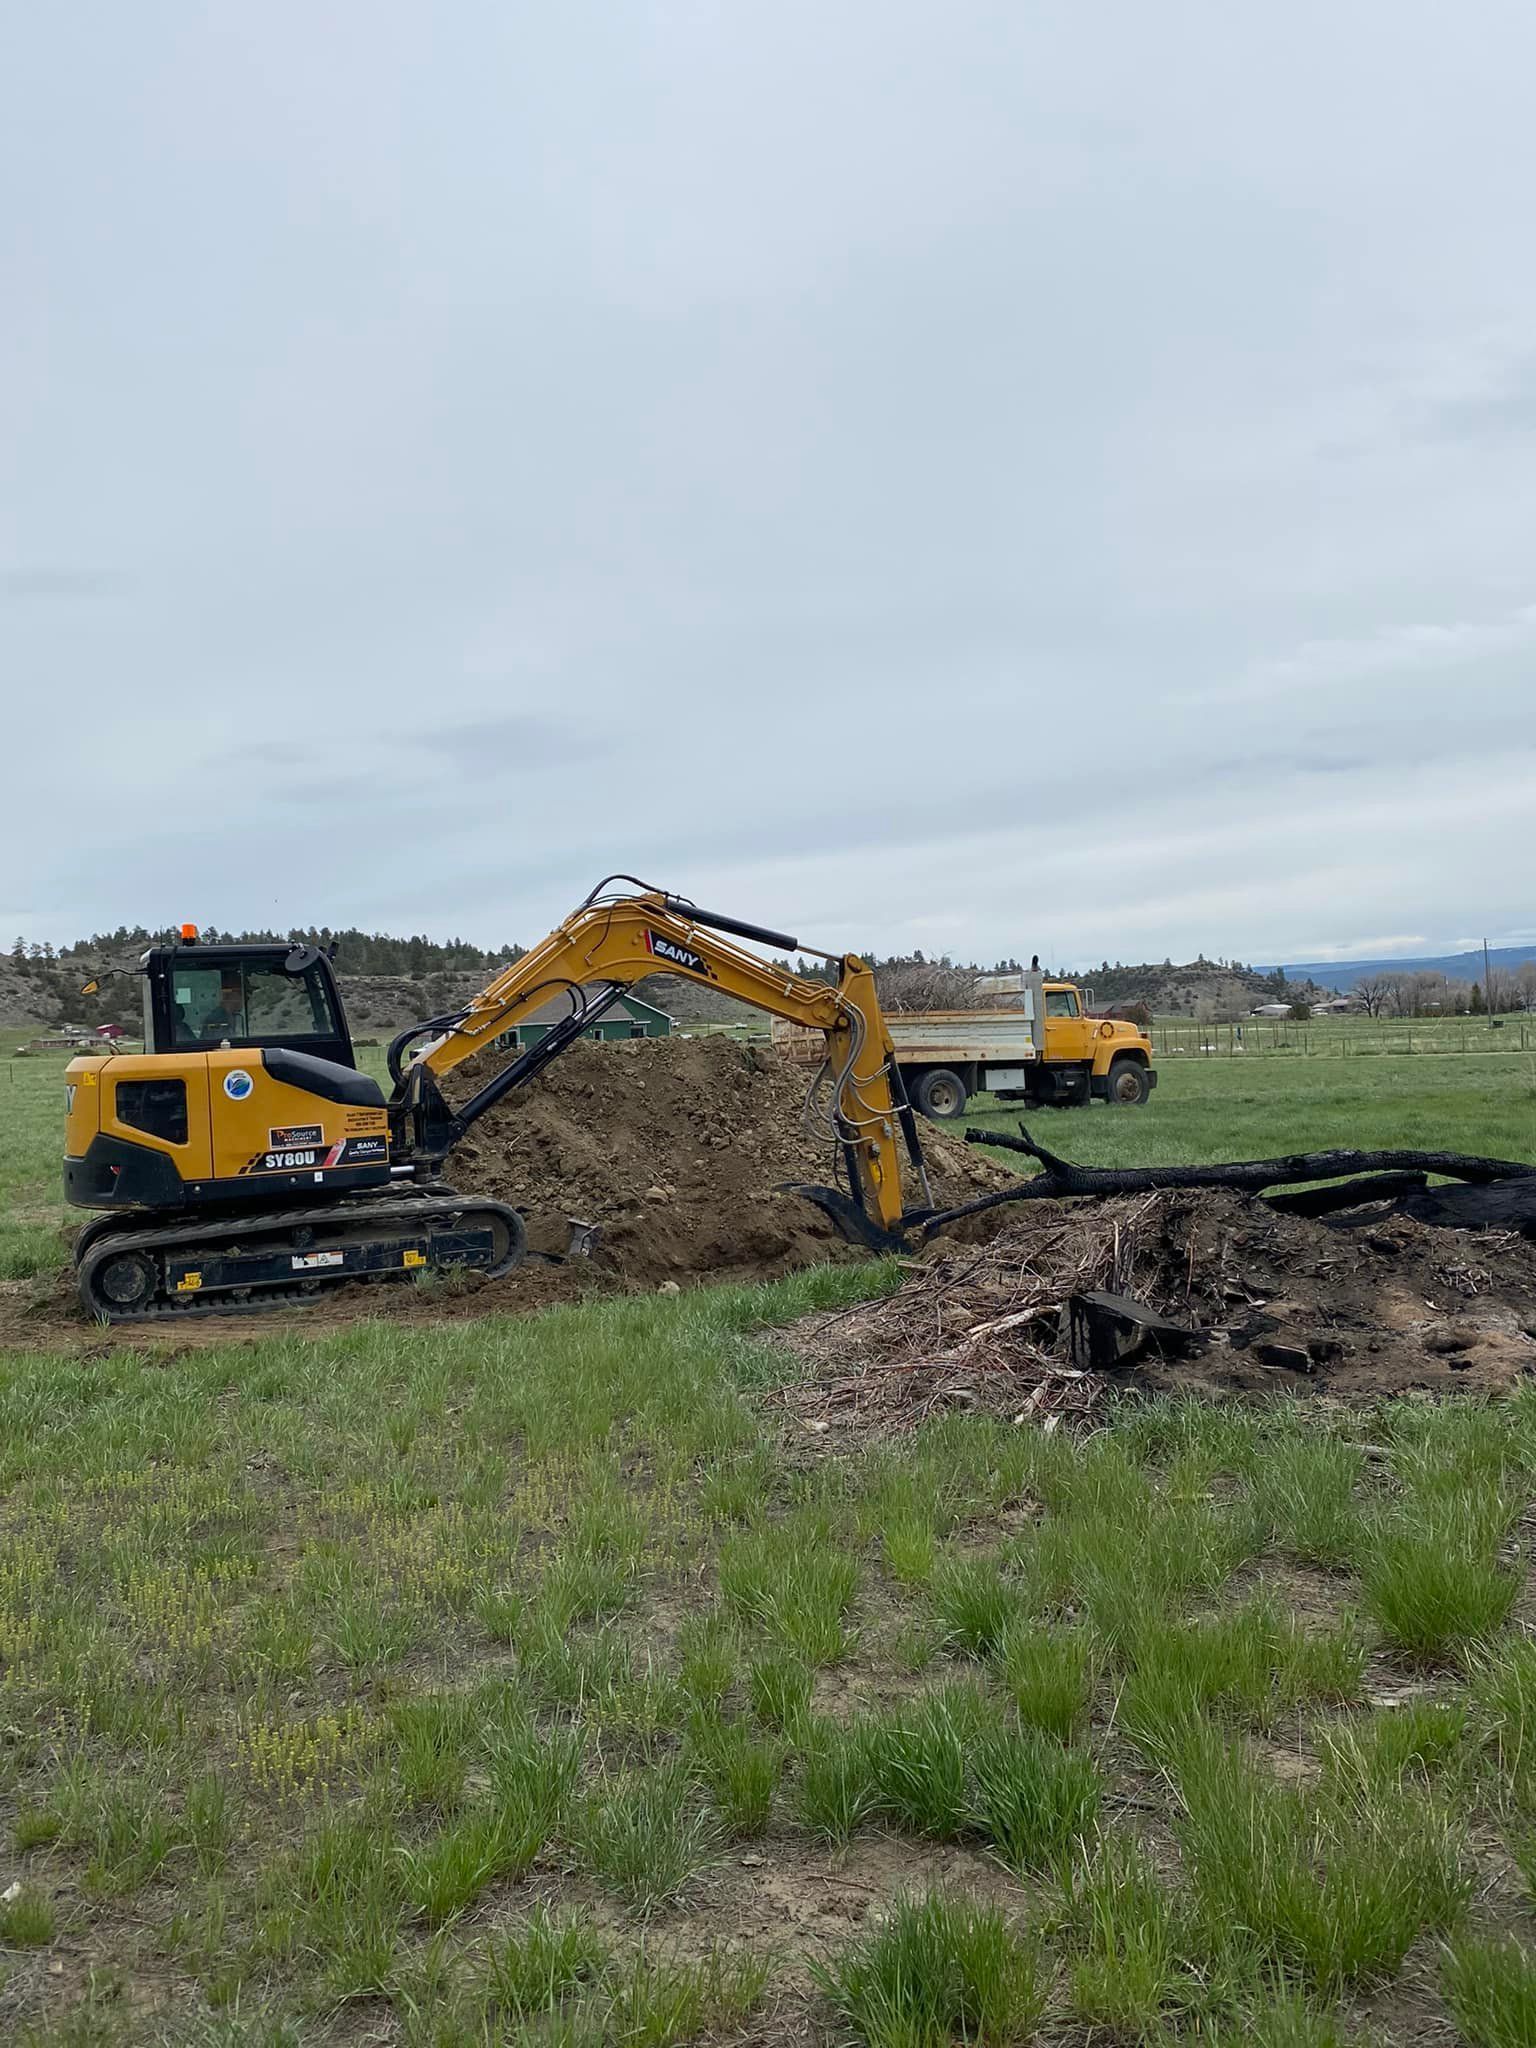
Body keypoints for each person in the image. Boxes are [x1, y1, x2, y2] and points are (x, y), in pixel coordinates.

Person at [201, 974, 246, 1040]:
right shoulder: (216, 1019)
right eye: (242, 993)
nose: (245, 998)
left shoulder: (232, 1016)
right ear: (231, 995)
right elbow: (222, 1046)